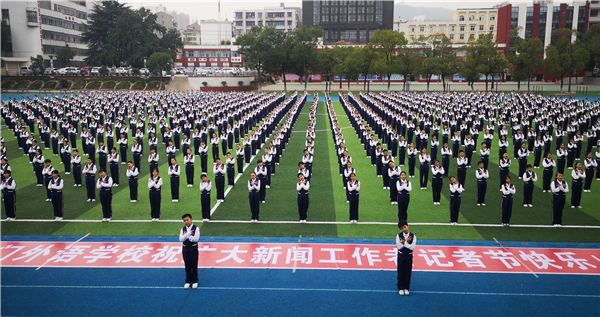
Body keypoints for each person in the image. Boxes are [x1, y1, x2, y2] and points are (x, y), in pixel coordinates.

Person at [179, 213, 200, 290]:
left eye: (187, 220)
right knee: (187, 265)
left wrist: (187, 236)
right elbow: (181, 239)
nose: (186, 222)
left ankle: (194, 281)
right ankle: (188, 281)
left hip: (193, 249)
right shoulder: (182, 229)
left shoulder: (196, 228)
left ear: (191, 219)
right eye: (184, 221)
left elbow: (195, 239)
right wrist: (188, 234)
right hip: (185, 249)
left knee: (194, 264)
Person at [396, 220, 416, 296]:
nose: (404, 229)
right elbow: (399, 247)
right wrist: (404, 244)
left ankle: (406, 288)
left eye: (405, 227)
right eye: (402, 228)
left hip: (409, 256)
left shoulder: (413, 236)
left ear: (408, 226)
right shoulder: (398, 236)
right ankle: (400, 287)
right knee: (400, 271)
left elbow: (412, 248)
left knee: (408, 272)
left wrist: (405, 243)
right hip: (401, 256)